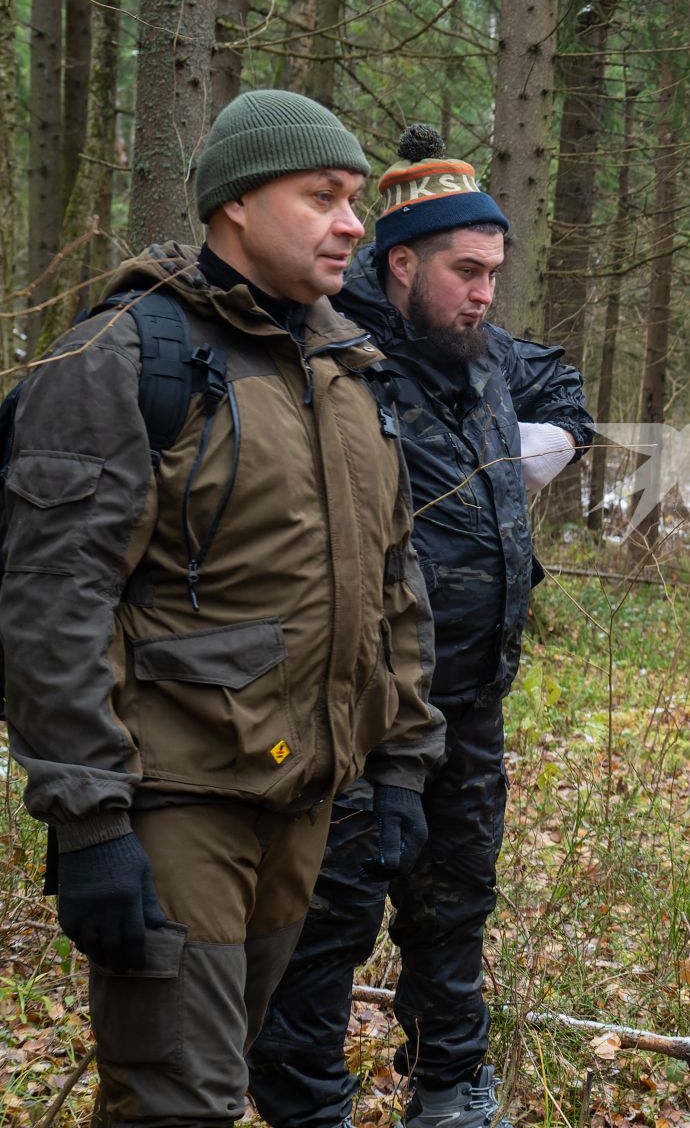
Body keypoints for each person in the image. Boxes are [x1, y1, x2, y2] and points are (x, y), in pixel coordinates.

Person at [1, 90, 444, 1127]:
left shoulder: (347, 369)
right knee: (177, 1100)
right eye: (322, 196)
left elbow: (395, 583)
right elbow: (51, 602)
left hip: (301, 804)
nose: (352, 222)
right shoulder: (124, 354)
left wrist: (401, 765)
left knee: (214, 1073)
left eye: (353, 200)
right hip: (169, 801)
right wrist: (89, 818)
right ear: (236, 205)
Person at [249, 124, 594, 1128]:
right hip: (351, 707)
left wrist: (551, 440)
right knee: (331, 916)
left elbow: (563, 380)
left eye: (495, 272)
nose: (486, 293)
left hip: (470, 698)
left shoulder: (479, 359)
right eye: (466, 271)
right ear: (400, 263)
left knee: (454, 905)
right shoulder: (331, 357)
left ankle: (450, 1086)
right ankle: (308, 1103)